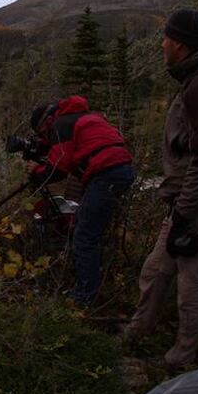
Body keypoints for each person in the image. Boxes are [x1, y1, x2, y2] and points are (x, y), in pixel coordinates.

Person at [122, 8, 198, 369]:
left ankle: (180, 359)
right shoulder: (195, 81)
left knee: (191, 288)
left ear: (181, 44)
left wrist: (184, 215)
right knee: (156, 270)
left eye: (166, 38)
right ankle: (138, 330)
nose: (162, 44)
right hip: (185, 206)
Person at [25, 95, 135, 307]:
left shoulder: (60, 124)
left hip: (105, 173)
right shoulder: (84, 117)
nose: (46, 139)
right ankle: (91, 288)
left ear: (46, 123)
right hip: (120, 169)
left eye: (43, 135)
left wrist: (36, 170)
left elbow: (56, 170)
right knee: (87, 227)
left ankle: (84, 299)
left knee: (84, 236)